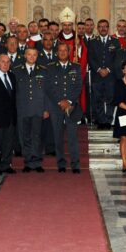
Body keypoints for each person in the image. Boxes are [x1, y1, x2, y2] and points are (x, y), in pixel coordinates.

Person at [47, 43, 83, 173]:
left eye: (65, 50)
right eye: (60, 50)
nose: (62, 53)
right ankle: (61, 164)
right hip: (56, 107)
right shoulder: (50, 67)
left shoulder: (76, 67)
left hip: (71, 107)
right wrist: (59, 101)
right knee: (58, 137)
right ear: (57, 52)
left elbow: (78, 86)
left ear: (69, 52)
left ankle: (75, 164)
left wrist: (68, 101)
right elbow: (49, 87)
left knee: (73, 137)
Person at [14, 47, 50, 173]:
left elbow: (47, 92)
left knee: (37, 136)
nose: (32, 57)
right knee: (24, 136)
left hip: (38, 108)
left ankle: (37, 162)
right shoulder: (16, 70)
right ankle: (28, 162)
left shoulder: (44, 71)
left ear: (37, 56)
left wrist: (46, 109)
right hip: (22, 108)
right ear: (25, 55)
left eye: (34, 55)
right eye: (29, 54)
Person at [87, 19, 119, 129]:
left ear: (108, 28)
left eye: (105, 26)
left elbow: (117, 58)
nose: (103, 28)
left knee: (110, 98)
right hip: (97, 75)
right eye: (100, 26)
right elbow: (90, 58)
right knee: (97, 98)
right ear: (97, 28)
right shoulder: (92, 41)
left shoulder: (115, 41)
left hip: (111, 76)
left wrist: (108, 69)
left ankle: (108, 120)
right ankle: (101, 121)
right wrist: (99, 69)